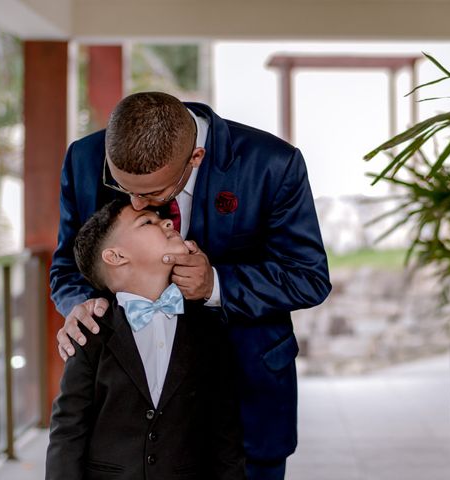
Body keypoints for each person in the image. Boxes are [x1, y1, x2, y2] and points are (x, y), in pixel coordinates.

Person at [50, 91, 332, 479]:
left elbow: (309, 277)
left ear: (195, 158)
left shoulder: (272, 164)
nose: (134, 203)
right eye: (122, 187)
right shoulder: (84, 159)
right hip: (126, 419)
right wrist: (80, 305)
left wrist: (217, 283)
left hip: (245, 385)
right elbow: (68, 265)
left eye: (150, 194)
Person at [46, 198, 246, 480]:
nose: (166, 222)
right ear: (116, 257)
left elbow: (225, 433)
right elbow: (68, 429)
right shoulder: (90, 332)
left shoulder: (209, 328)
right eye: (148, 222)